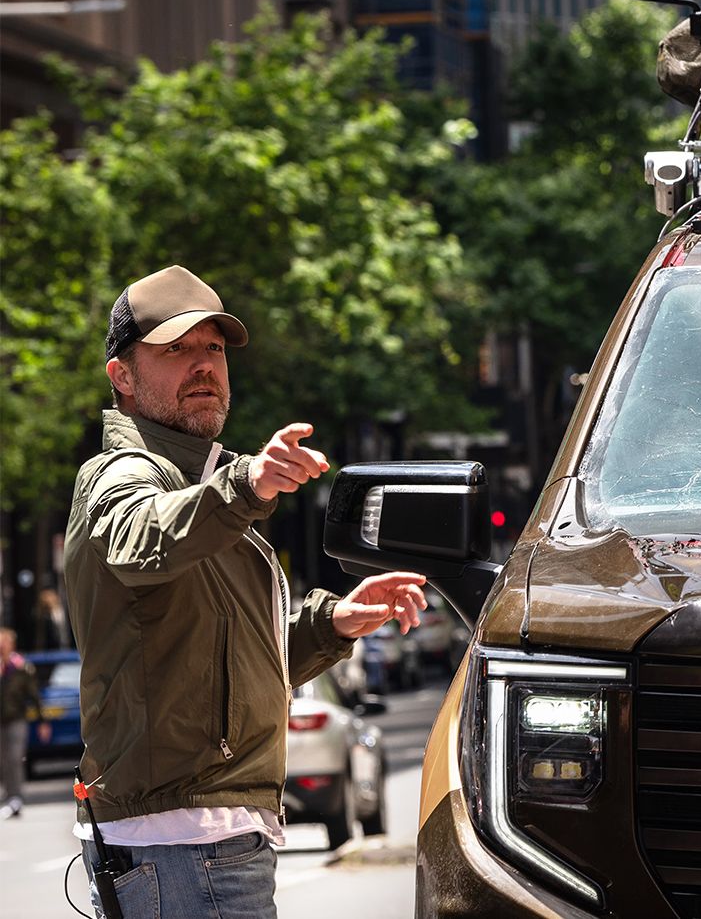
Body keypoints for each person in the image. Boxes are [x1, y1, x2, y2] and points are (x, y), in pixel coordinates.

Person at [64, 265, 430, 918]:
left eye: (214, 348)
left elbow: (224, 667)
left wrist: (335, 623)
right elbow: (136, 539)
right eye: (175, 349)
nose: (203, 364)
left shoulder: (202, 480)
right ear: (122, 376)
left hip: (204, 841)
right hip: (182, 845)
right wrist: (247, 485)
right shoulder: (128, 472)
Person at [1, 627, 43, 818]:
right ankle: (9, 796)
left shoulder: (21, 666)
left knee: (15, 758)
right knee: (4, 760)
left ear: (11, 644)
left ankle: (16, 798)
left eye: (4, 641)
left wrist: (43, 720)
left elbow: (34, 695)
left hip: (17, 719)